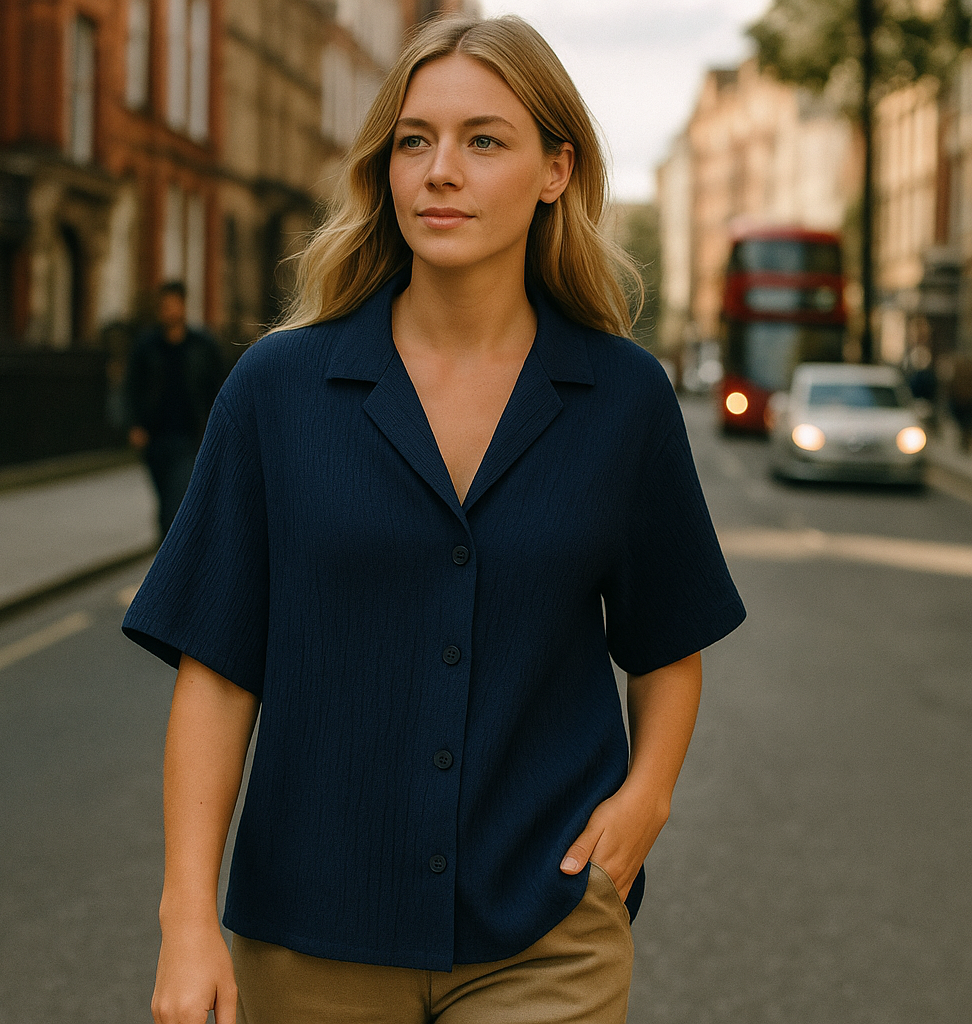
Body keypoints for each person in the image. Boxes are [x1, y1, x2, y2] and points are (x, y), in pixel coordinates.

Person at [123, 15, 745, 1024]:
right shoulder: (277, 390)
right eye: (414, 140)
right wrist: (186, 917)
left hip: (544, 925)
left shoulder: (623, 398)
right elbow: (217, 669)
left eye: (482, 140)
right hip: (309, 929)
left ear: (555, 170)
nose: (439, 170)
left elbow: (668, 642)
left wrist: (647, 800)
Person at [124, 281, 224, 538]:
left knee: (175, 504)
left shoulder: (202, 346)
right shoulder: (147, 346)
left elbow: (218, 388)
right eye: (163, 306)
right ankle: (168, 554)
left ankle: (169, 560)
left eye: (171, 305)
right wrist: (135, 424)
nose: (166, 311)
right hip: (156, 437)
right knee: (164, 497)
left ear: (182, 306)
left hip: (189, 437)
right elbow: (132, 386)